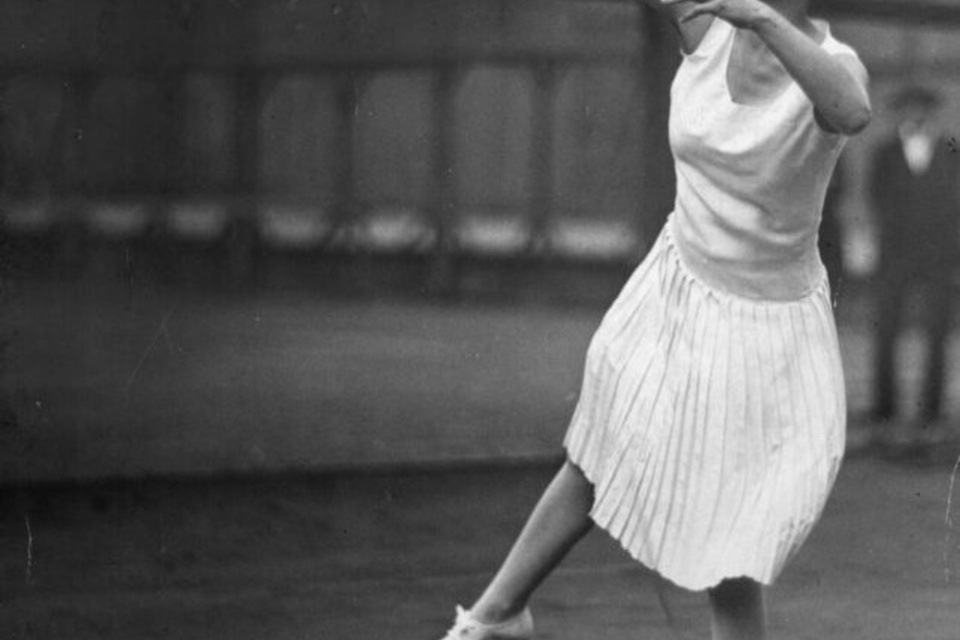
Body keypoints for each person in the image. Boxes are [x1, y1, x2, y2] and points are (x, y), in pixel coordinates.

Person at [438, 1, 870, 638]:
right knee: (598, 447)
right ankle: (496, 615)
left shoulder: (834, 63)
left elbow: (852, 112)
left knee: (733, 532)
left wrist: (762, 19)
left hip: (765, 325)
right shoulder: (702, 26)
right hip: (677, 283)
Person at [868, 85, 960, 433]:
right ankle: (883, 407)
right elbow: (876, 198)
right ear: (900, 111)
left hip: (939, 256)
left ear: (932, 111)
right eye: (909, 107)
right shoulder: (885, 152)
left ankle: (932, 410)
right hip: (895, 255)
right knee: (886, 330)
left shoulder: (951, 151)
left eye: (923, 107)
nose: (916, 113)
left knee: (937, 332)